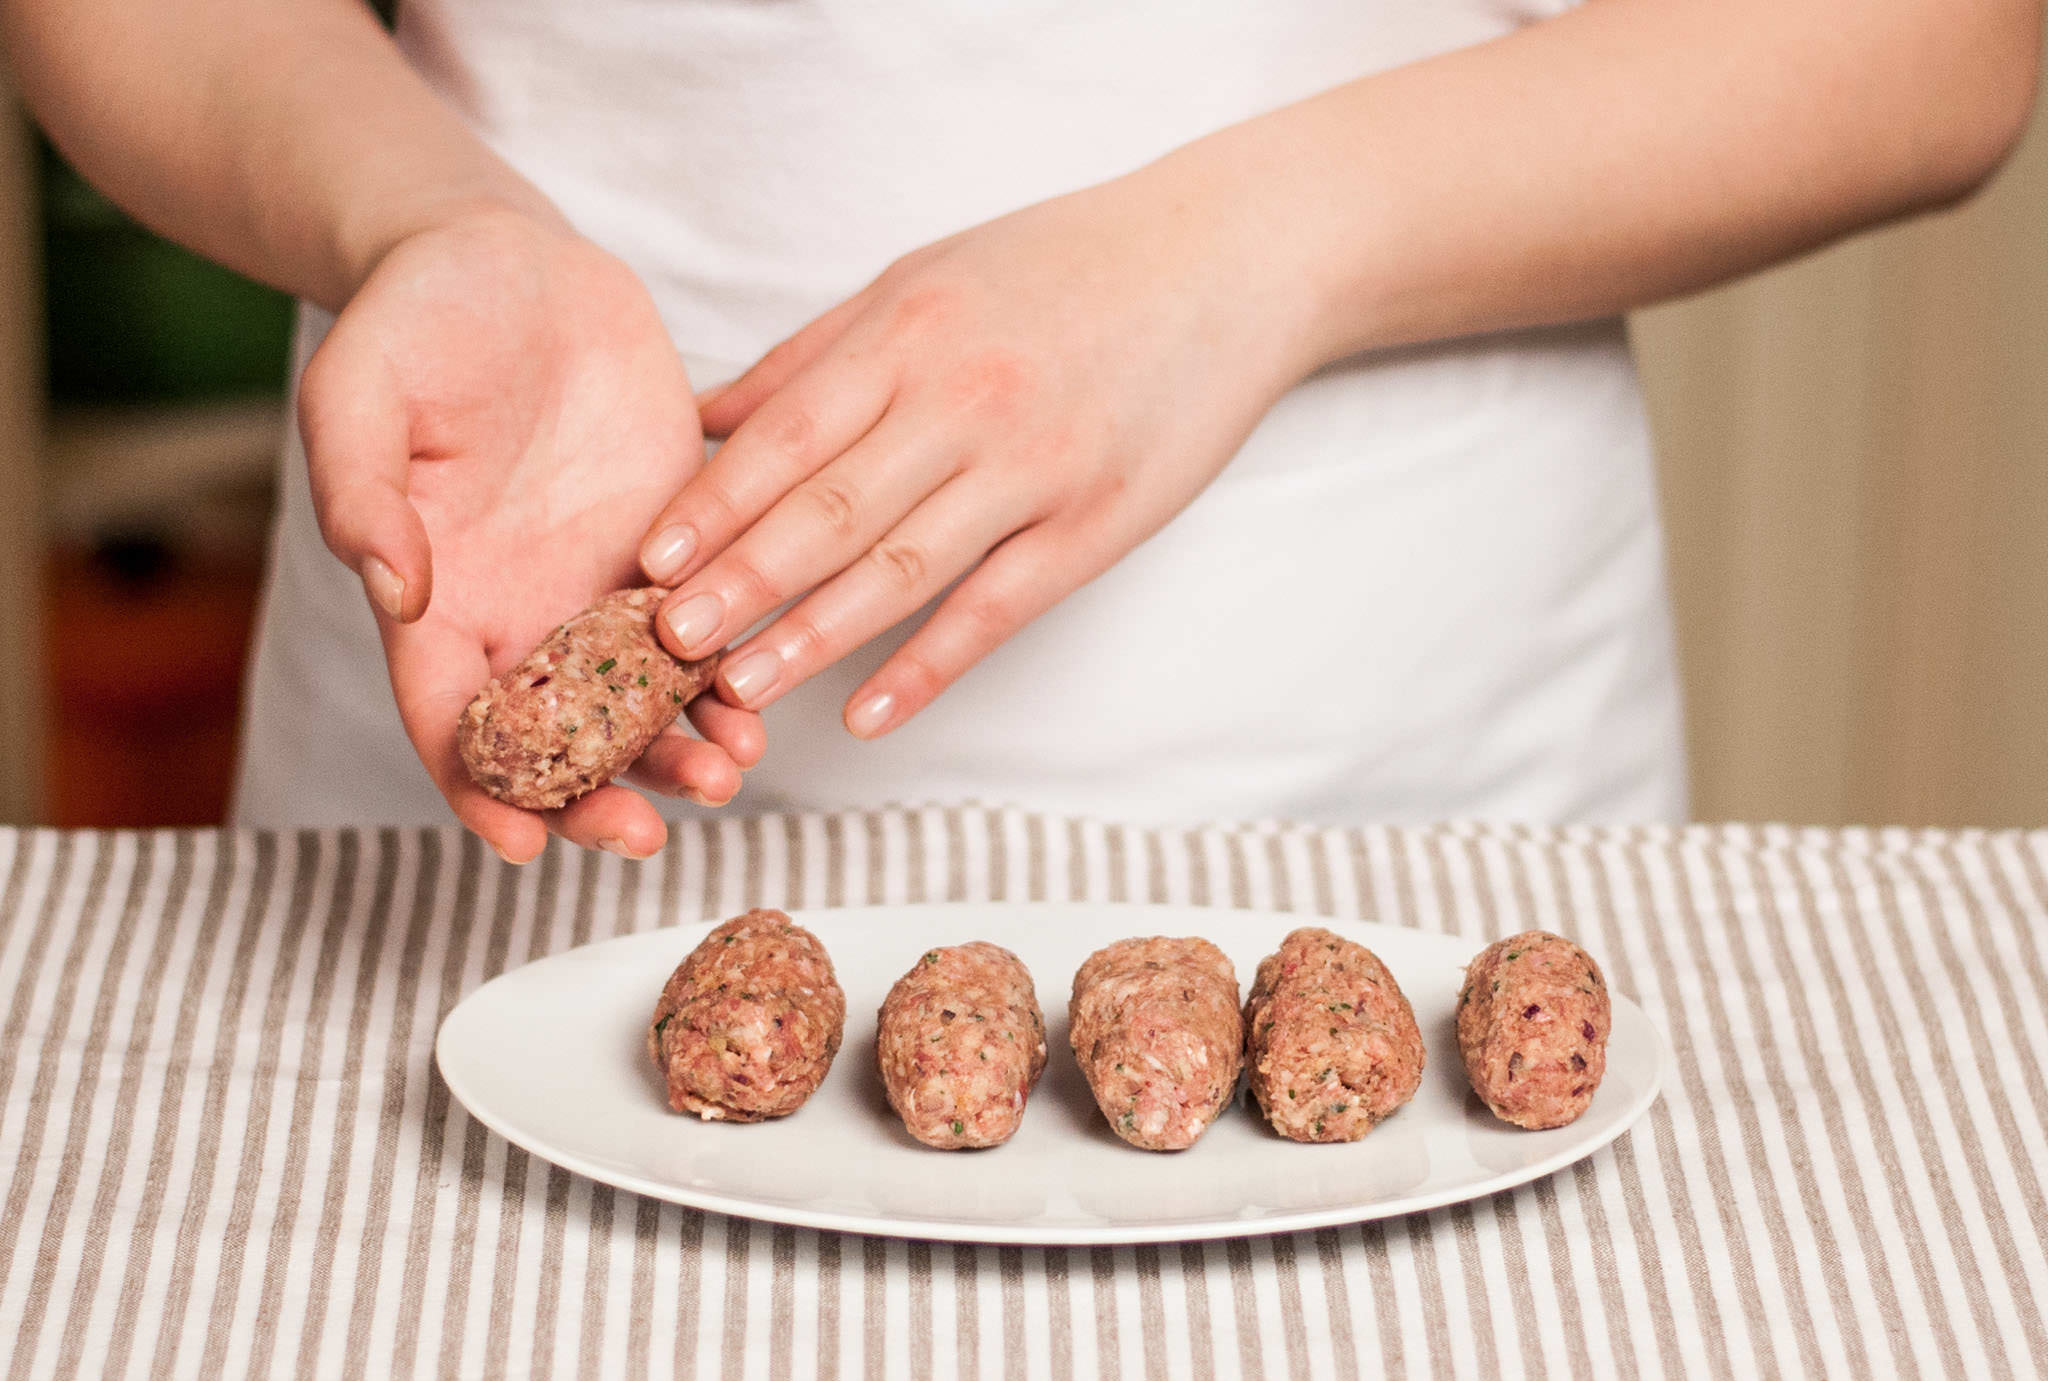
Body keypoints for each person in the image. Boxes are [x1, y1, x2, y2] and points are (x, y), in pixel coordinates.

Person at [6, 0, 2037, 863]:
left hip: (1387, 796)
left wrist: (1240, 256)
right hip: (493, 720)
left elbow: (1939, 45)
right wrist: (419, 216)